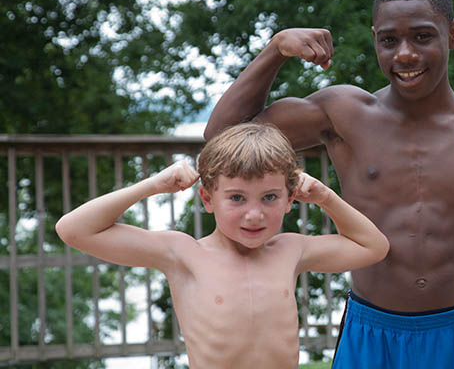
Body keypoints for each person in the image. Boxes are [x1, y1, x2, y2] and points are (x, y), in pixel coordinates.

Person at [204, 0, 454, 367]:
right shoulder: (345, 114)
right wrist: (276, 49)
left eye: (422, 36)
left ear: (452, 34)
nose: (404, 54)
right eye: (389, 40)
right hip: (371, 330)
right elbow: (222, 136)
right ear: (375, 40)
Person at [55, 123, 389, 369]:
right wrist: (153, 185)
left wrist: (325, 197)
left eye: (270, 197)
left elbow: (373, 247)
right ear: (207, 198)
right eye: (237, 198)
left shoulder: (291, 250)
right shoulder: (183, 254)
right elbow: (73, 229)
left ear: (290, 200)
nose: (254, 214)